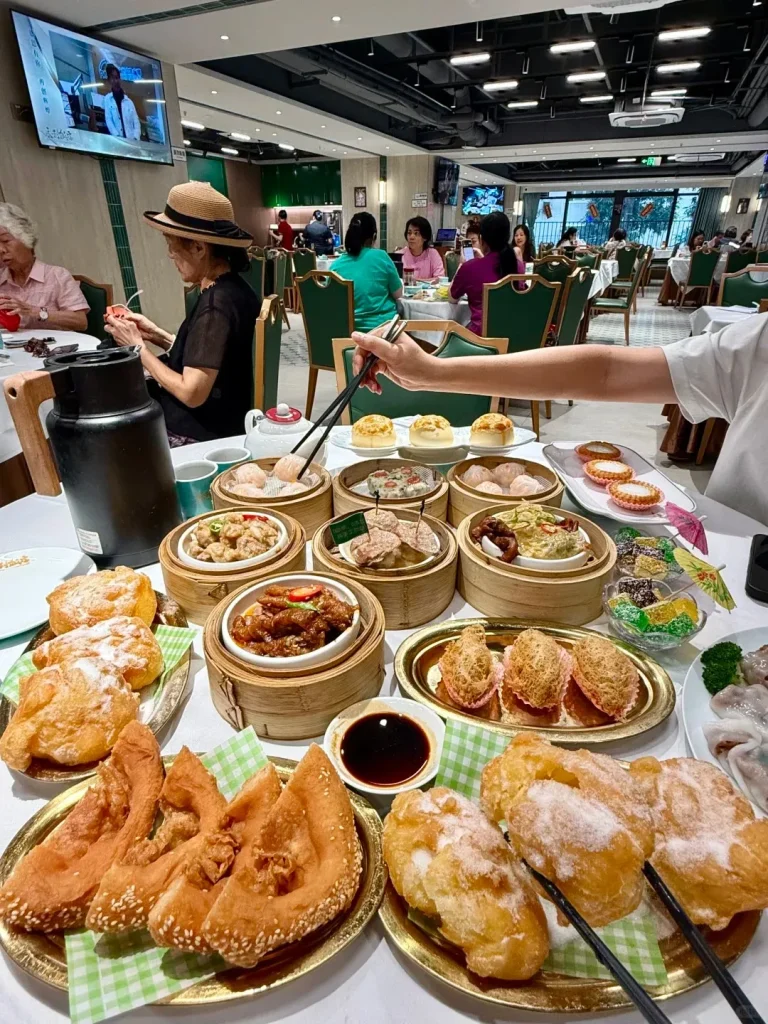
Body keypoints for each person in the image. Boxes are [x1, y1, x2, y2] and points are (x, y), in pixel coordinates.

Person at [350, 314, 768, 524]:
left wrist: (432, 374)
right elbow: (605, 372)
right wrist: (432, 373)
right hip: (736, 570)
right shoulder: (758, 343)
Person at [103, 181, 258, 446]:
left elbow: (192, 392)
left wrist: (137, 347)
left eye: (172, 244)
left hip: (201, 433)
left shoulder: (215, 305)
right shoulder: (234, 289)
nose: (169, 254)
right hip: (228, 417)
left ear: (199, 247)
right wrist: (157, 335)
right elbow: (218, 358)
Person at [0, 202, 88, 330]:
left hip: (54, 347)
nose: (1, 249)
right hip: (10, 349)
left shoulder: (57, 275)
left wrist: (34, 311)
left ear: (26, 239)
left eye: (6, 241)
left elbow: (81, 322)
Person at [450, 211, 525, 336]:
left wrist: (462, 264)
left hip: (481, 342)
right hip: (515, 336)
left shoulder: (470, 268)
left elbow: (452, 298)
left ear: (482, 239)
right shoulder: (518, 266)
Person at [331, 212, 402, 332]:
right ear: (374, 236)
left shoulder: (335, 266)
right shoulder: (381, 256)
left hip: (348, 333)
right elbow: (398, 294)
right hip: (382, 331)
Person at [398, 216, 444, 282]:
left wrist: (415, 281)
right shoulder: (400, 255)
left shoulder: (433, 254)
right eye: (409, 233)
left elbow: (440, 279)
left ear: (425, 237)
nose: (411, 237)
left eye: (416, 233)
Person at [103, 64, 141, 140]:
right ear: (109, 80)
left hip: (131, 141)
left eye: (117, 77)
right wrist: (117, 136)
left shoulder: (129, 102)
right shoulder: (107, 99)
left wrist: (136, 137)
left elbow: (136, 121)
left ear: (120, 79)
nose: (115, 81)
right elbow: (109, 120)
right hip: (118, 141)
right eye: (112, 78)